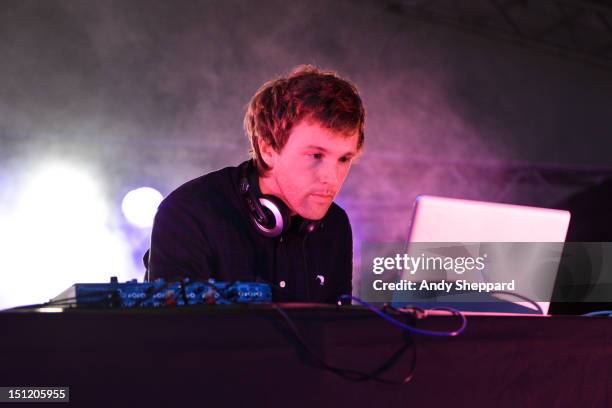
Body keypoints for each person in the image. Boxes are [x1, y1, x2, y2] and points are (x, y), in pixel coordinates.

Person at [146, 65, 365, 303]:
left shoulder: (336, 225)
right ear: (268, 148)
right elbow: (174, 334)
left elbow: (337, 333)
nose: (331, 178)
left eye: (344, 159)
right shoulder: (189, 213)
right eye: (316, 156)